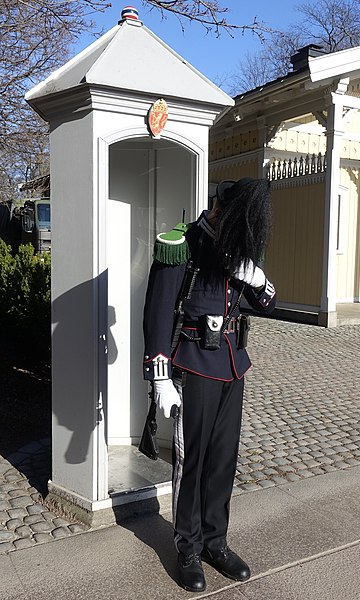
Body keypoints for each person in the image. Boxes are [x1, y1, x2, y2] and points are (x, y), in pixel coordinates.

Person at [142, 178, 276, 592]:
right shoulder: (182, 244)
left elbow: (269, 301)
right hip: (194, 363)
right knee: (192, 460)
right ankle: (188, 545)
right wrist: (160, 378)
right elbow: (158, 313)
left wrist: (256, 280)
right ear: (218, 208)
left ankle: (215, 541)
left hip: (232, 364)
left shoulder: (240, 247)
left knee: (222, 461)